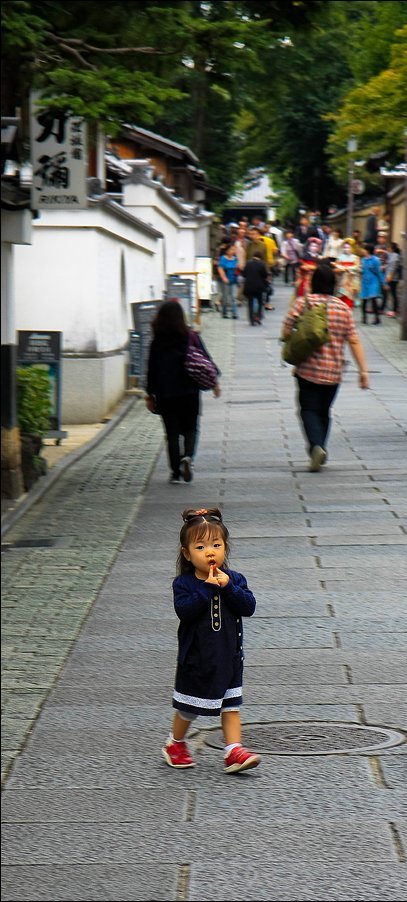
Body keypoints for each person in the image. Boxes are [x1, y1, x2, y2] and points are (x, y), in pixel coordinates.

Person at [162, 507, 261, 773]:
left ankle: (233, 750)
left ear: (225, 548)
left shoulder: (235, 580)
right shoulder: (184, 583)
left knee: (231, 705)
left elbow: (248, 606)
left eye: (216, 545)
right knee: (189, 708)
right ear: (187, 553)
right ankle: (175, 743)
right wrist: (207, 586)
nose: (210, 551)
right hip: (197, 660)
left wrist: (228, 587)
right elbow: (185, 611)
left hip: (229, 657)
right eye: (201, 546)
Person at [281, 262, 370, 472]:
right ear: (333, 283)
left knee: (308, 409)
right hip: (334, 371)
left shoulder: (303, 303)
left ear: (313, 282)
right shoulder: (343, 308)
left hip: (307, 370)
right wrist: (363, 371)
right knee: (324, 410)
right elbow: (354, 340)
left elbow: (285, 331)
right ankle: (321, 445)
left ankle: (316, 446)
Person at [146, 301, 221, 484]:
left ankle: (175, 472)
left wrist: (149, 393)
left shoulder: (157, 342)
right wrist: (214, 382)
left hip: (165, 393)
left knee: (172, 433)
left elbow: (151, 370)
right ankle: (188, 456)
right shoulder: (190, 336)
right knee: (191, 427)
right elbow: (205, 360)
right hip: (189, 391)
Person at [360, 244, 385, 325]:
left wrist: (383, 283)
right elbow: (362, 270)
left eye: (364, 249)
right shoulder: (363, 260)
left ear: (367, 251)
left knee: (373, 299)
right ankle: (364, 317)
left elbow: (379, 272)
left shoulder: (375, 260)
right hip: (365, 282)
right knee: (364, 300)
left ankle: (377, 318)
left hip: (373, 281)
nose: (363, 251)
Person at [242, 252, 269, 325]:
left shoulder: (248, 263)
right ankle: (258, 317)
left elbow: (244, 274)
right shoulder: (262, 264)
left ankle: (251, 319)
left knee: (250, 303)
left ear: (253, 256)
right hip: (259, 287)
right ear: (260, 257)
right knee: (260, 302)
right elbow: (265, 275)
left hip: (249, 286)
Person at [334, 240, 361, 309]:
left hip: (351, 282)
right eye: (345, 247)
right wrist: (341, 269)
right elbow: (336, 267)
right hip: (342, 282)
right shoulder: (340, 257)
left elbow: (357, 268)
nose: (346, 249)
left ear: (352, 248)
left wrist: (346, 268)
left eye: (348, 247)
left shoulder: (355, 257)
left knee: (349, 299)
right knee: (341, 297)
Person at [217, 243, 239, 319]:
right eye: (231, 249)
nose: (233, 251)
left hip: (233, 280)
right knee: (225, 296)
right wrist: (224, 277)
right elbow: (220, 268)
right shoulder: (223, 258)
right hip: (225, 280)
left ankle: (234, 313)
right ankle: (224, 312)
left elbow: (237, 268)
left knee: (233, 297)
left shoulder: (235, 258)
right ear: (227, 251)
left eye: (234, 249)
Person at [383, 242, 402, 317]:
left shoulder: (395, 256)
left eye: (389, 247)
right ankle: (393, 309)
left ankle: (394, 310)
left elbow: (393, 267)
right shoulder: (390, 255)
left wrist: (389, 276)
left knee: (394, 294)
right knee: (391, 294)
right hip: (389, 276)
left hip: (393, 278)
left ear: (392, 248)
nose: (387, 249)